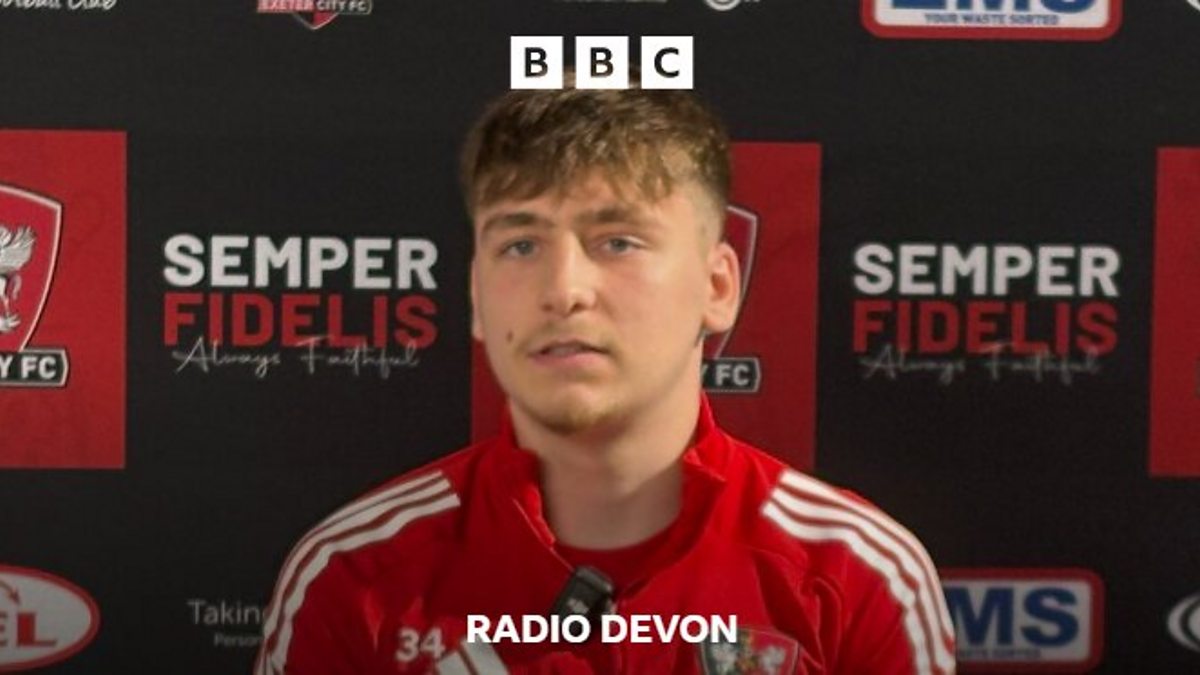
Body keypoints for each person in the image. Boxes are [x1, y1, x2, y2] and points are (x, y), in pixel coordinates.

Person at [255, 71, 956, 675]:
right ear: (475, 294)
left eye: (617, 241)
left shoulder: (858, 575)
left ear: (719, 286)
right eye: (521, 244)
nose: (564, 290)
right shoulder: (352, 573)